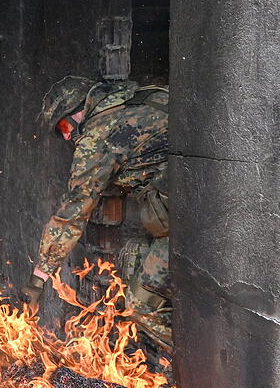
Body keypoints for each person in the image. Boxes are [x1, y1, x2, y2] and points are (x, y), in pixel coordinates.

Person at [20, 76, 170, 340]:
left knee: (141, 307)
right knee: (134, 254)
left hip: (198, 220)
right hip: (205, 200)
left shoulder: (99, 135)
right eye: (60, 132)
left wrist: (37, 280)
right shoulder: (140, 97)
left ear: (81, 109)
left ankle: (195, 369)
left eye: (65, 125)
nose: (66, 135)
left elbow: (72, 213)